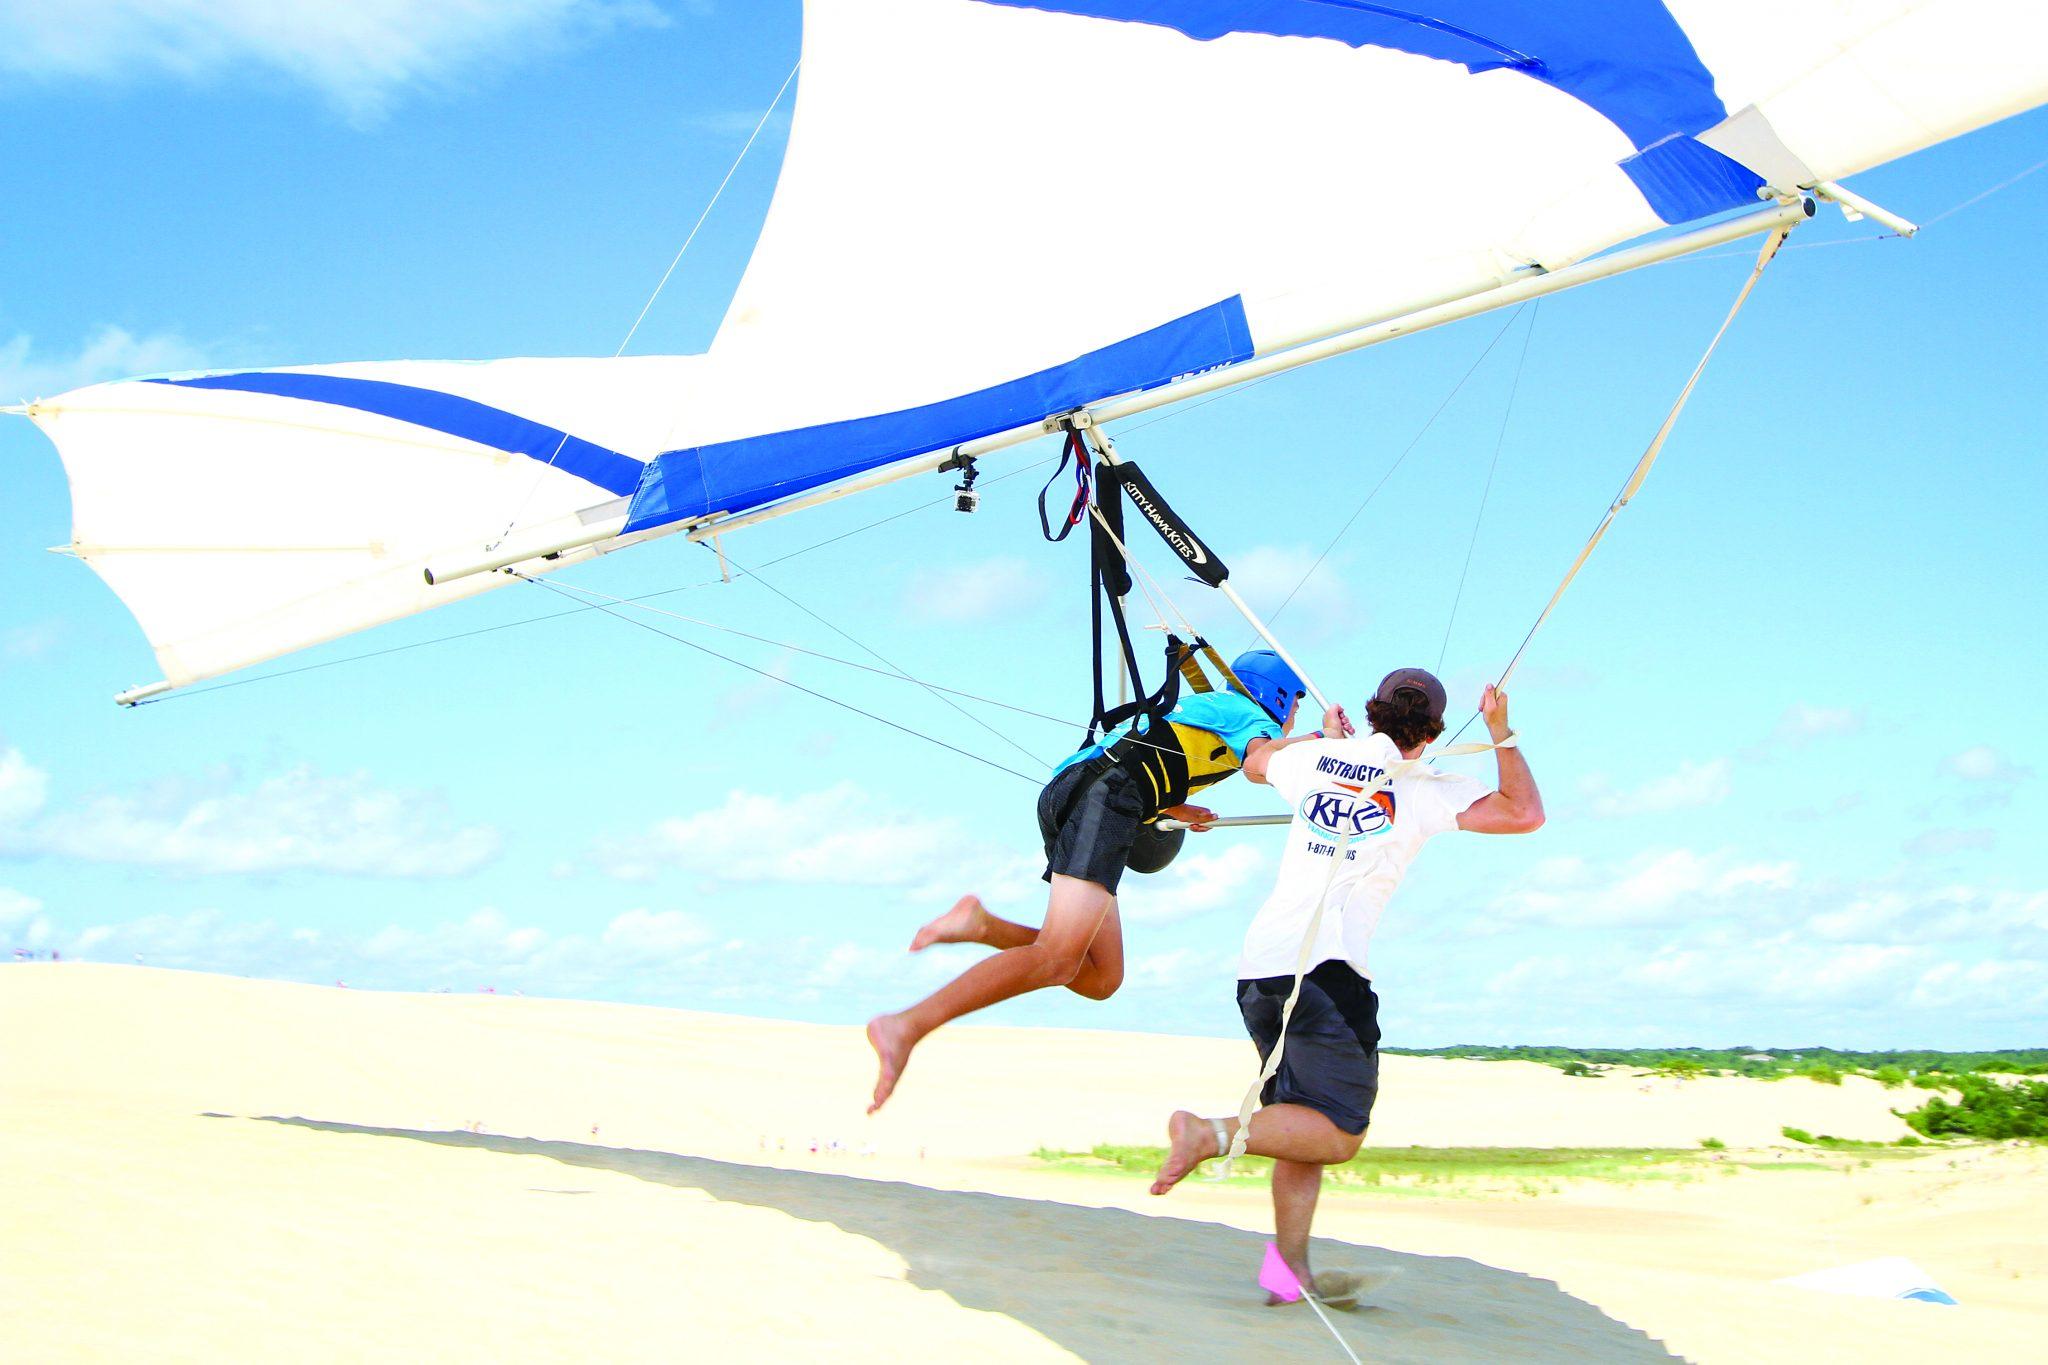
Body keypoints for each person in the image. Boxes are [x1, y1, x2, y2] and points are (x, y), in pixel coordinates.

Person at [1146, 669, 1543, 1304]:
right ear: (1432, 731)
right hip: (1327, 972)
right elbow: (1524, 813)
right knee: (1339, 1131)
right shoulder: (1425, 788)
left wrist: (1323, 742)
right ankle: (1209, 1134)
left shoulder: (1318, 761)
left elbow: (1255, 766)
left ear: (1374, 712)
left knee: (1299, 1123)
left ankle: (1289, 1273)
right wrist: (1501, 733)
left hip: (1262, 969)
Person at [866, 648, 1353, 1113]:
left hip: (1084, 792)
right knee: (1056, 959)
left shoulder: (1217, 707)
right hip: (1103, 798)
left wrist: (1172, 803)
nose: (1290, 722)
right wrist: (1324, 743)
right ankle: (906, 1026)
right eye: (1293, 709)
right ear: (1280, 697)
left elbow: (1158, 751)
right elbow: (1259, 765)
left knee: (1101, 978)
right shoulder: (1252, 716)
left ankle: (982, 925)